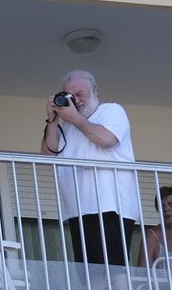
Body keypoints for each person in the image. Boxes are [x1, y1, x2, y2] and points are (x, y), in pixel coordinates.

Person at [41, 69, 140, 268]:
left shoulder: (112, 110)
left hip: (111, 206)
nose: (76, 100)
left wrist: (74, 119)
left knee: (116, 270)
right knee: (88, 273)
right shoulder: (68, 126)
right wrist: (53, 120)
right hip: (78, 208)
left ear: (94, 91)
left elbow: (107, 140)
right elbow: (47, 155)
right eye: (70, 96)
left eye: (80, 94)